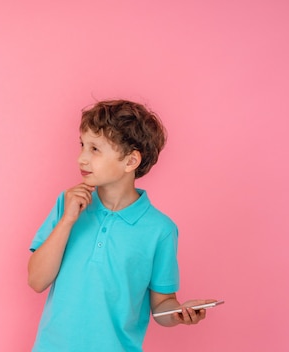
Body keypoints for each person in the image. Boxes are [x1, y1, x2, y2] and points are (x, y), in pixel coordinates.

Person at [28, 100, 216, 351]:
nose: (81, 158)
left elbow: (162, 304)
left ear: (130, 161)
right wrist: (67, 220)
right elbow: (36, 281)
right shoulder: (67, 205)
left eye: (95, 149)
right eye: (82, 145)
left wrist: (179, 313)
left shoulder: (160, 230)